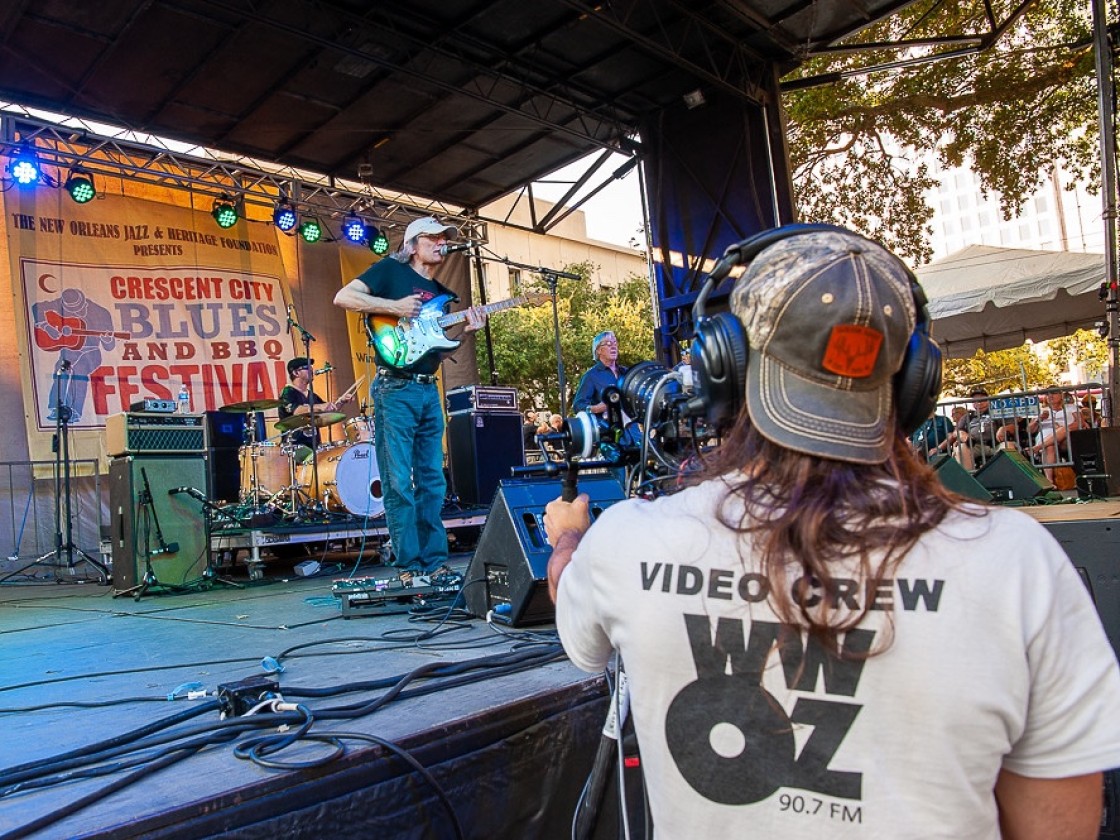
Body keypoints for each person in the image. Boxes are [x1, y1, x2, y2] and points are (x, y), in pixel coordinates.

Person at [542, 227, 1120, 839]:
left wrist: (568, 537)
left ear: (724, 368)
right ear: (915, 384)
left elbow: (573, 612)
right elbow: (1057, 826)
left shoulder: (631, 542)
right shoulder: (1016, 562)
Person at [333, 216, 486, 576]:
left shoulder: (443, 293)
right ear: (413, 244)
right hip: (395, 389)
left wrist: (466, 327)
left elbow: (439, 351)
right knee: (399, 481)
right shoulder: (390, 270)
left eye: (444, 239)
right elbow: (343, 297)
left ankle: (434, 564)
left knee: (432, 480)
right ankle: (408, 566)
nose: (441, 243)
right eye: (433, 238)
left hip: (427, 390)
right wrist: (395, 306)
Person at [277, 357, 353, 453]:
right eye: (307, 367)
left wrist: (342, 401)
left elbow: (328, 411)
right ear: (296, 373)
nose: (311, 370)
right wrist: (320, 407)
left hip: (314, 447)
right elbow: (297, 411)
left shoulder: (311, 395)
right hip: (295, 448)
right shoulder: (287, 392)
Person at [1028, 388, 1082, 481]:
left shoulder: (1071, 408)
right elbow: (1029, 430)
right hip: (1046, 436)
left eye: (1053, 393)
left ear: (1061, 395)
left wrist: (1061, 427)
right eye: (1047, 394)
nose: (1050, 396)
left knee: (1063, 429)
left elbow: (1080, 423)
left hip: (1066, 438)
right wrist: (1038, 419)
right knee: (1049, 446)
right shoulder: (1041, 410)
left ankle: (1037, 448)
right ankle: (1049, 480)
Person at [573, 331, 627, 416]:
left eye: (615, 343)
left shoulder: (626, 372)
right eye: (608, 343)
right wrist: (595, 408)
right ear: (598, 350)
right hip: (608, 426)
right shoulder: (591, 376)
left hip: (632, 427)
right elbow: (578, 406)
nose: (613, 347)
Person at [951, 387, 997, 470]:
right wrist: (962, 434)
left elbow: (1010, 426)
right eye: (975, 401)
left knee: (1008, 445)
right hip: (975, 445)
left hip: (995, 444)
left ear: (988, 400)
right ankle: (969, 479)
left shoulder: (997, 412)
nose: (979, 403)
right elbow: (955, 432)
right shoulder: (968, 416)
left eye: (982, 400)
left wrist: (1003, 429)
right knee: (960, 448)